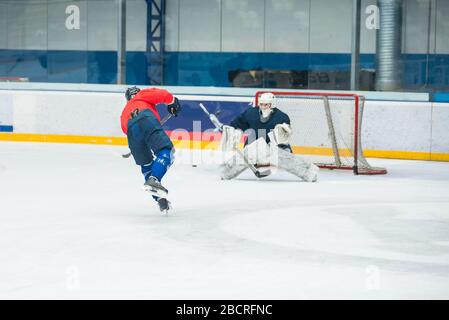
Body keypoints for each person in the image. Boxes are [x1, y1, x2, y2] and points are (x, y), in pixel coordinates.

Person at [220, 92, 319, 181]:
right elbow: (237, 124)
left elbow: (284, 139)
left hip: (274, 147)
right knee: (252, 150)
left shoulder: (282, 117)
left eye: (266, 105)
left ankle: (309, 172)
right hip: (255, 146)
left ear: (272, 105)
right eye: (261, 104)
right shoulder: (251, 113)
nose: (263, 107)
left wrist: (284, 134)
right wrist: (230, 131)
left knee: (283, 155)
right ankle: (226, 172)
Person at [120, 86, 181, 213]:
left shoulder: (124, 112)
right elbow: (162, 94)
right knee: (166, 152)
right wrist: (172, 101)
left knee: (146, 165)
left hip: (131, 132)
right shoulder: (142, 95)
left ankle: (159, 199)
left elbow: (125, 129)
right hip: (147, 119)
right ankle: (154, 180)